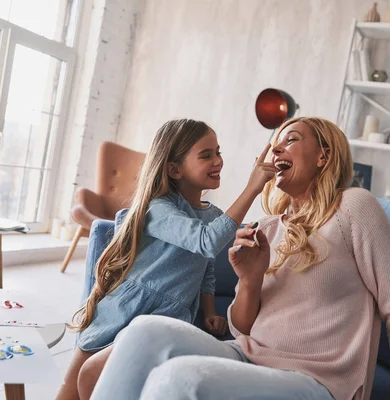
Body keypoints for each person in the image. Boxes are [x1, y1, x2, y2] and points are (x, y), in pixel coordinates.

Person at [89, 117, 390, 400]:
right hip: (247, 355)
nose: (275, 149)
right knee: (145, 330)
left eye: (290, 140)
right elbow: (241, 328)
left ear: (324, 157)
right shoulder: (265, 227)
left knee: (183, 379)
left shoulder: (352, 207)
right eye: (274, 142)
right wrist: (250, 281)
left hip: (316, 380)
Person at [56, 118, 275, 400]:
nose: (218, 161)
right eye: (206, 155)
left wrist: (209, 311)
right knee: (72, 388)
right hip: (126, 310)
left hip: (166, 320)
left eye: (218, 152)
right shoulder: (159, 209)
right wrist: (252, 188)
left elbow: (206, 269)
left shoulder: (213, 216)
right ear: (174, 169)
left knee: (120, 386)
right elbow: (206, 242)